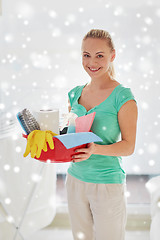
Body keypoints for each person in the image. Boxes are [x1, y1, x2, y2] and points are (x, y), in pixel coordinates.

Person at [66, 29, 138, 240]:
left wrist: (95, 149)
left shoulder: (123, 97)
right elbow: (70, 135)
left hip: (107, 184)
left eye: (100, 55)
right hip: (75, 180)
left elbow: (128, 146)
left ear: (112, 56)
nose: (92, 62)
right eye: (86, 55)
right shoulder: (74, 93)